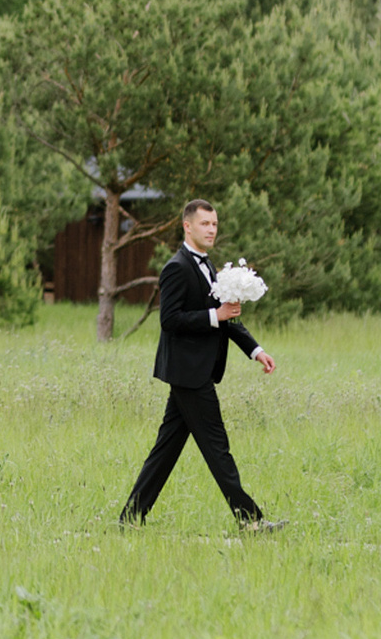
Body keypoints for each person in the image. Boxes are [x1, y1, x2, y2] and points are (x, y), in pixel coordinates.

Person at [118, 199, 283, 530]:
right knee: (217, 448)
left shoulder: (209, 267)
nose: (211, 230)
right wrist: (214, 315)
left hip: (193, 374)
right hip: (189, 374)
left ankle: (130, 519)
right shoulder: (176, 267)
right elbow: (169, 320)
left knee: (165, 451)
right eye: (205, 224)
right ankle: (250, 521)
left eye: (215, 224)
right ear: (187, 226)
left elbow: (226, 320)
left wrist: (255, 350)